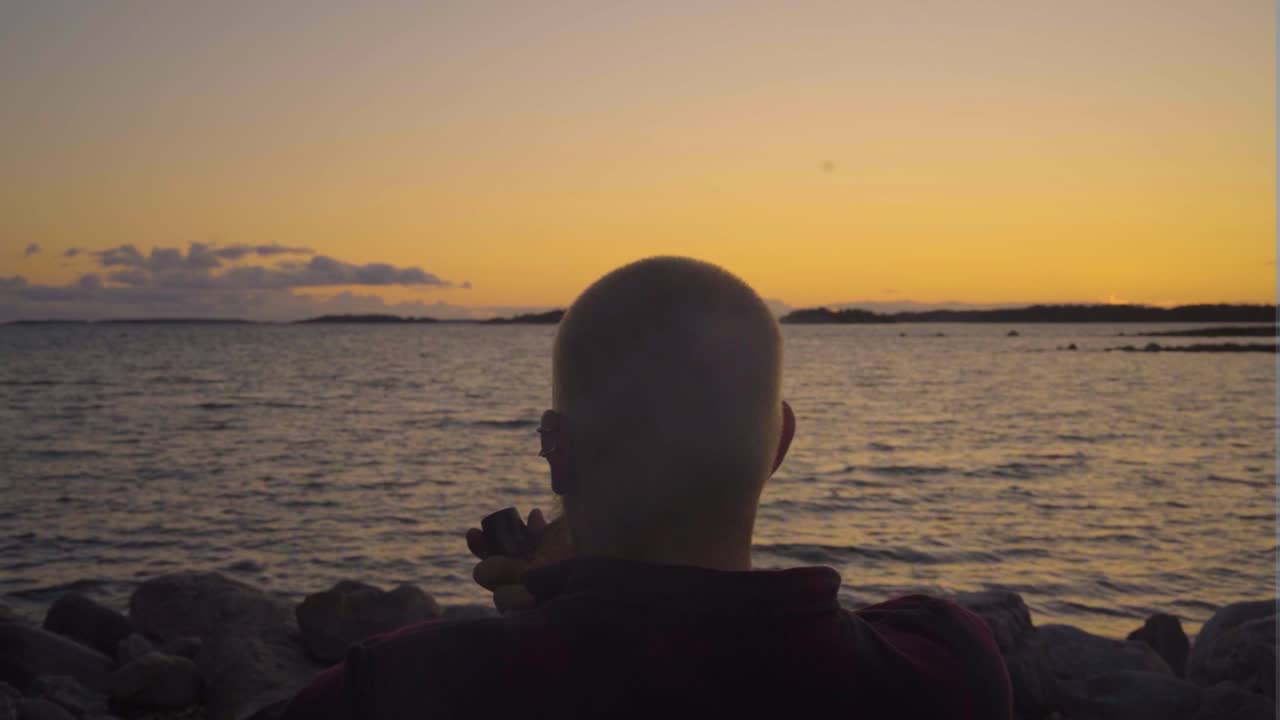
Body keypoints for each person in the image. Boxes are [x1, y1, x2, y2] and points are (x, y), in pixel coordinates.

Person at [282, 257, 1013, 719]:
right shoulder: (945, 663)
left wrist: (569, 593)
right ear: (780, 443)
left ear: (556, 449)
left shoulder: (403, 687)